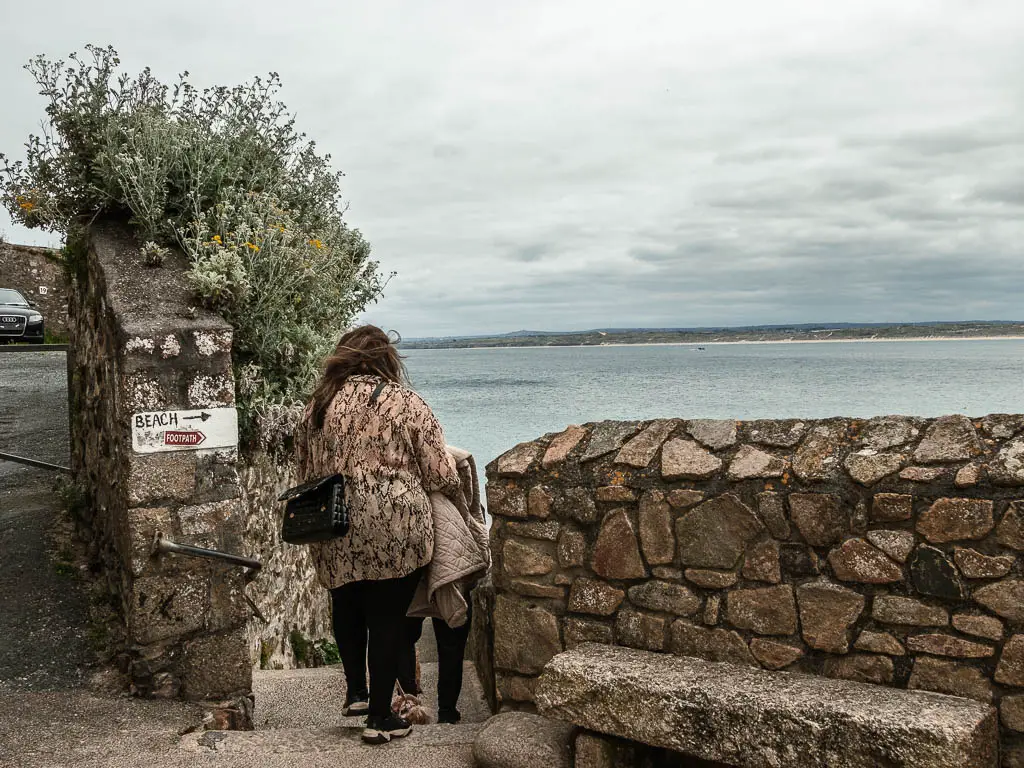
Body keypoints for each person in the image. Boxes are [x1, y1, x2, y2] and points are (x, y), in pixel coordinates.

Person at [295, 325, 460, 745]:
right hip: (397, 524)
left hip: (333, 522)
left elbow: (302, 472)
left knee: (345, 600)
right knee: (387, 617)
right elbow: (440, 473)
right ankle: (381, 719)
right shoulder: (407, 404)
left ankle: (356, 692)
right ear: (386, 359)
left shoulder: (317, 406)